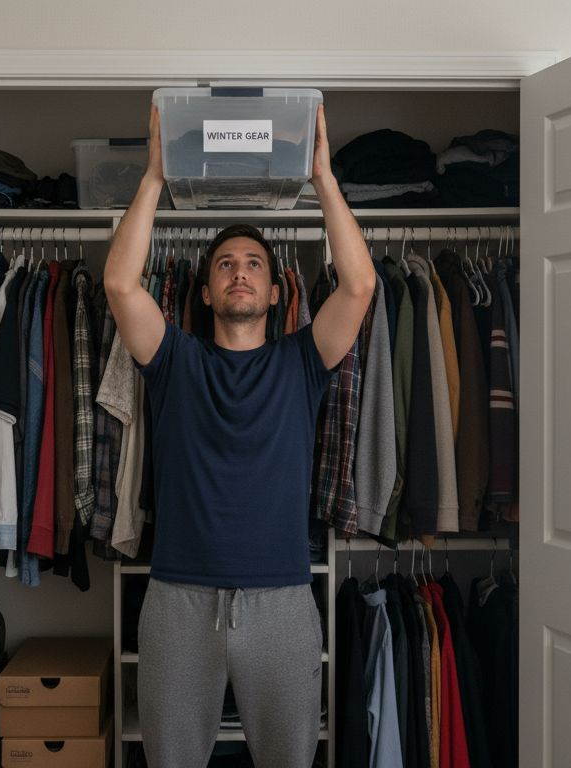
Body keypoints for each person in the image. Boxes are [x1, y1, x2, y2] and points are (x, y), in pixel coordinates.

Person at [104, 102, 374, 768]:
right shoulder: (173, 360)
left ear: (278, 291)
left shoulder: (304, 362)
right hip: (176, 602)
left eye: (254, 263)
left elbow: (360, 283)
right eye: (225, 265)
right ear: (203, 290)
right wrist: (154, 177)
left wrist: (321, 178)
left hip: (282, 603)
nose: (240, 273)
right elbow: (118, 281)